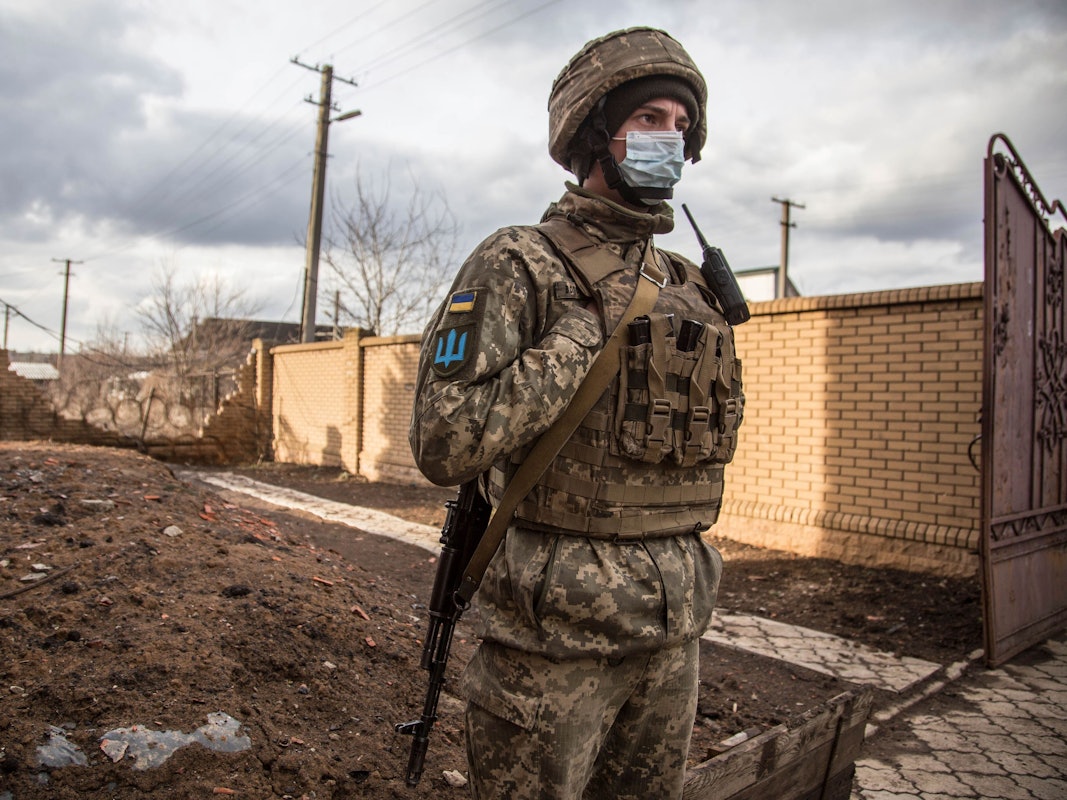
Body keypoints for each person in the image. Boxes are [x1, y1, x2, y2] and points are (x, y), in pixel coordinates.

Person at [409, 26, 743, 800]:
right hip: (552, 640)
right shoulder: (520, 262)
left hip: (672, 628)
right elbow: (442, 442)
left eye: (681, 124)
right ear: (597, 134)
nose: (671, 137)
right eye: (649, 119)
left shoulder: (685, 280)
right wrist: (578, 334)